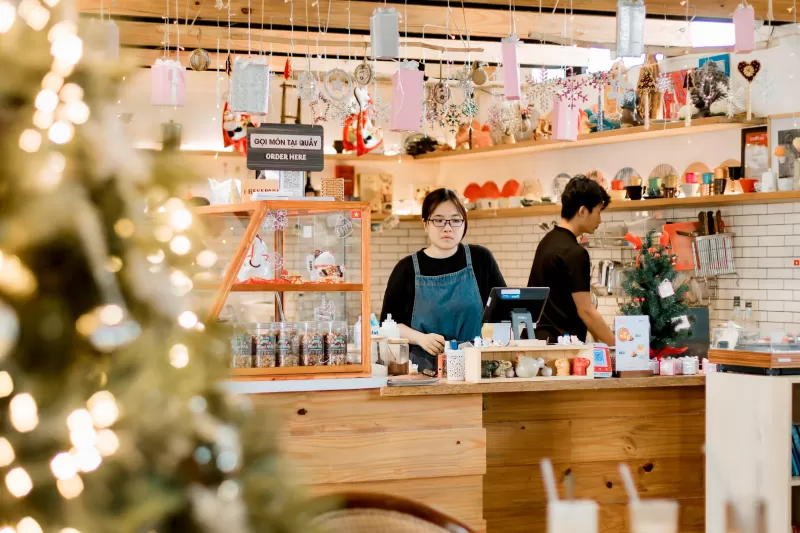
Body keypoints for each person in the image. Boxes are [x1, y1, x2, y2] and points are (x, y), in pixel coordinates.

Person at [381, 188, 506, 373]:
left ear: (464, 224)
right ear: (425, 224)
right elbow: (388, 324)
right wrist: (420, 338)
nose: (447, 227)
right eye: (438, 220)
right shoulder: (406, 269)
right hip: (425, 370)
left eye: (455, 220)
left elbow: (503, 310)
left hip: (476, 365)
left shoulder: (481, 259)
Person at [527, 176, 615, 346]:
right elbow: (586, 311)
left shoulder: (547, 242)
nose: (600, 220)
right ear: (582, 211)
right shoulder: (575, 253)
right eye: (598, 212)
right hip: (561, 348)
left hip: (537, 342)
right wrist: (618, 348)